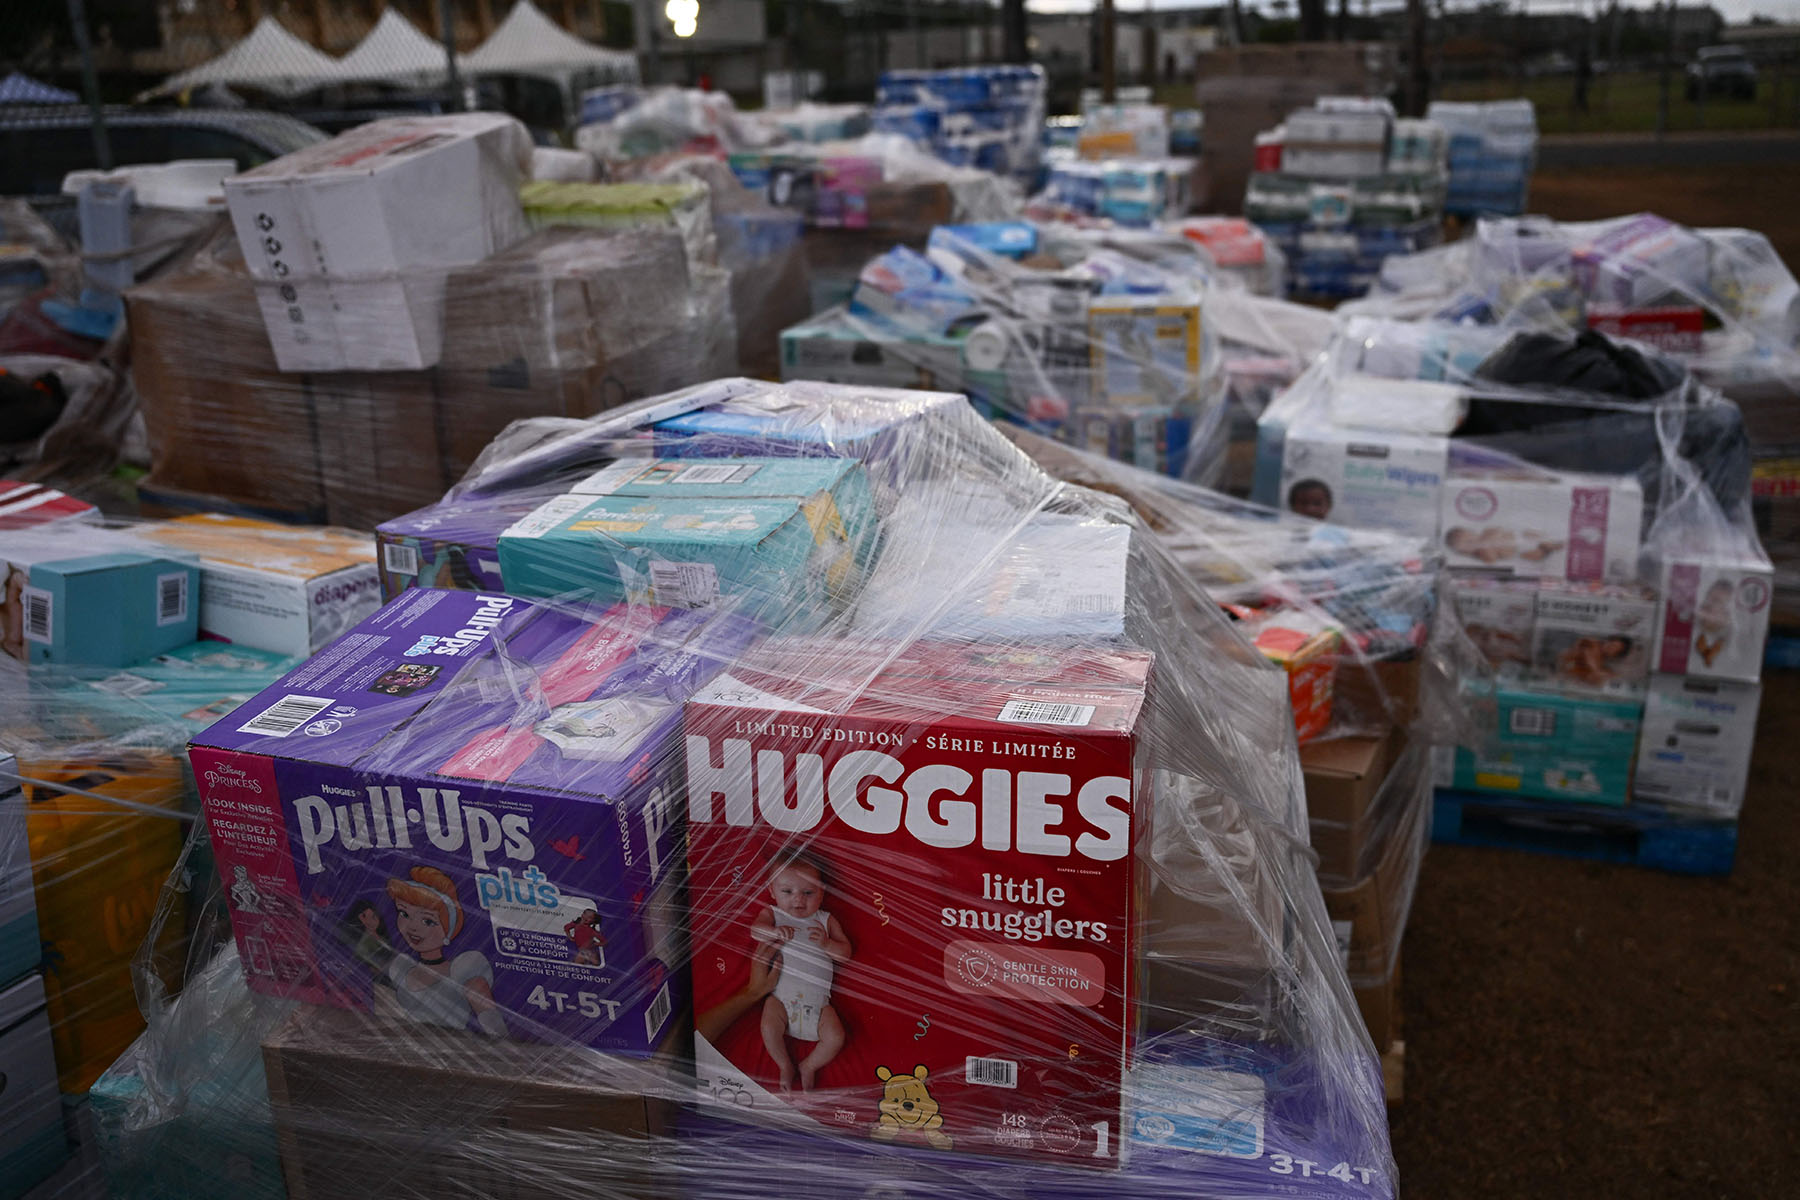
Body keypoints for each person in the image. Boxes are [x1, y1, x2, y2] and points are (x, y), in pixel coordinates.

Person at [751, 853, 852, 1091]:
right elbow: (755, 931)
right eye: (787, 892)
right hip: (781, 1000)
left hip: (819, 1005)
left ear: (822, 892)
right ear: (772, 891)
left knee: (836, 1037)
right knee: (768, 1026)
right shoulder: (774, 914)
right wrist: (773, 932)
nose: (798, 900)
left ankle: (809, 1066)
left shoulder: (825, 920)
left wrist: (827, 945)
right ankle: (784, 1064)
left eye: (808, 893)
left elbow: (845, 952)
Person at [385, 866, 507, 1037]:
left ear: (448, 929)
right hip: (405, 1050)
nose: (412, 927)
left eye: (428, 921)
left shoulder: (463, 969)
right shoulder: (401, 967)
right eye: (404, 913)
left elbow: (495, 1027)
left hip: (455, 1053)